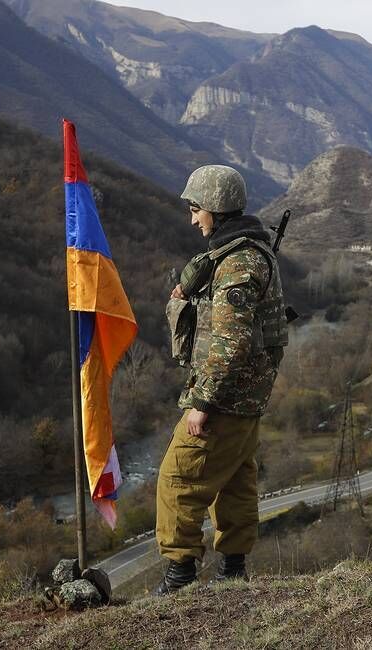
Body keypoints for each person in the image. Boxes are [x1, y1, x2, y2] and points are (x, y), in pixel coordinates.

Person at [153, 165, 288, 595]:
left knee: (178, 482)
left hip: (224, 399)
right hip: (244, 399)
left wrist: (203, 402)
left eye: (197, 209)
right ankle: (232, 573)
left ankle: (179, 581)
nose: (193, 219)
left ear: (215, 208)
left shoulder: (238, 261)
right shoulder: (244, 253)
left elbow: (231, 340)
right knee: (233, 482)